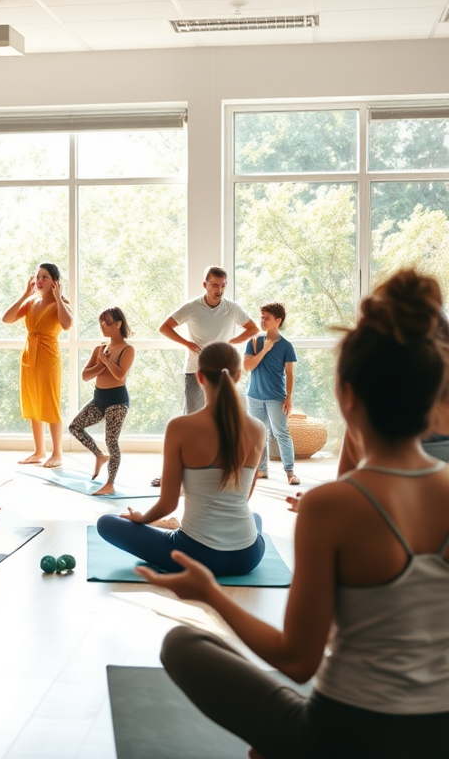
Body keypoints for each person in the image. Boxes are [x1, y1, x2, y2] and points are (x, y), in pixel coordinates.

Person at [144, 269, 449, 759]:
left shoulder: (331, 506)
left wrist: (209, 593)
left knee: (182, 644)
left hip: (337, 737)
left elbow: (297, 660)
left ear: (347, 397)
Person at [97, 342, 267, 577]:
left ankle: (173, 528)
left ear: (200, 376)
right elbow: (244, 497)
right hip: (248, 557)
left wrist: (142, 519)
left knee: (106, 523)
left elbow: (168, 504)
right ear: (238, 375)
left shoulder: (180, 427)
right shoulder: (258, 429)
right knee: (254, 518)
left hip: (195, 555)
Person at [152, 266, 258, 486]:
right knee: (189, 418)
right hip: (195, 369)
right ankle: (172, 474)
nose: (219, 290)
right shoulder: (192, 307)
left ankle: (222, 470)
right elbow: (165, 327)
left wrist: (230, 342)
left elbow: (253, 328)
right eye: (215, 285)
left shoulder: (232, 308)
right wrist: (187, 343)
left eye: (223, 286)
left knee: (225, 419)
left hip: (223, 370)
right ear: (205, 285)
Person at [1, 262, 73, 468]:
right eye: (37, 277)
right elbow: (7, 319)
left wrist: (58, 297)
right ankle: (39, 451)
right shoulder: (31, 302)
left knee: (50, 403)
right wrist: (25, 294)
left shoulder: (61, 303)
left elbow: (67, 324)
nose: (39, 280)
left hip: (48, 358)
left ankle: (57, 453)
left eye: (44, 277)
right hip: (28, 356)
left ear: (55, 282)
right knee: (33, 402)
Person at [69, 307, 135, 496]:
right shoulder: (100, 349)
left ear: (118, 324)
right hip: (99, 399)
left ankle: (110, 483)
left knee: (111, 441)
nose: (102, 326)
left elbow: (120, 375)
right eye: (101, 323)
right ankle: (99, 455)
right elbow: (85, 376)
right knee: (75, 427)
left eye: (107, 323)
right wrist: (100, 364)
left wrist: (105, 362)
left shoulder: (127, 349)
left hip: (117, 401)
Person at [243, 302, 299, 485]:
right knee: (259, 435)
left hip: (276, 398)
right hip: (254, 397)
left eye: (266, 318)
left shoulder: (286, 346)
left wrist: (289, 398)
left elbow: (290, 373)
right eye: (262, 317)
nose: (262, 321)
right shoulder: (254, 342)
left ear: (278, 320)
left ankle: (290, 472)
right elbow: (247, 366)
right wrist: (265, 349)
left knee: (281, 433)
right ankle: (261, 470)